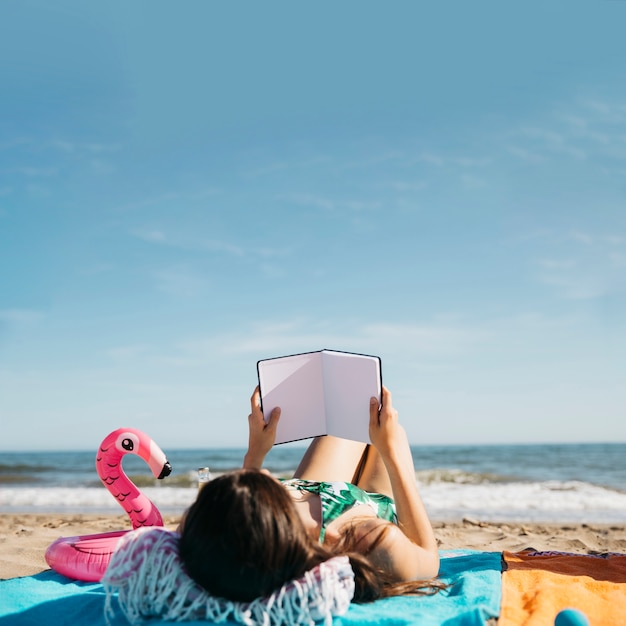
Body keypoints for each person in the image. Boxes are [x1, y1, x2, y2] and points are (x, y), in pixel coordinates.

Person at [178, 385, 441, 603]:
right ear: (270, 512)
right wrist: (389, 450)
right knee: (394, 430)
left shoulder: (215, 534)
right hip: (367, 506)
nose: (266, 472)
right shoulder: (368, 542)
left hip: (311, 491)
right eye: (259, 481)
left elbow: (231, 530)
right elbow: (429, 558)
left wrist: (255, 453)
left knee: (353, 416)